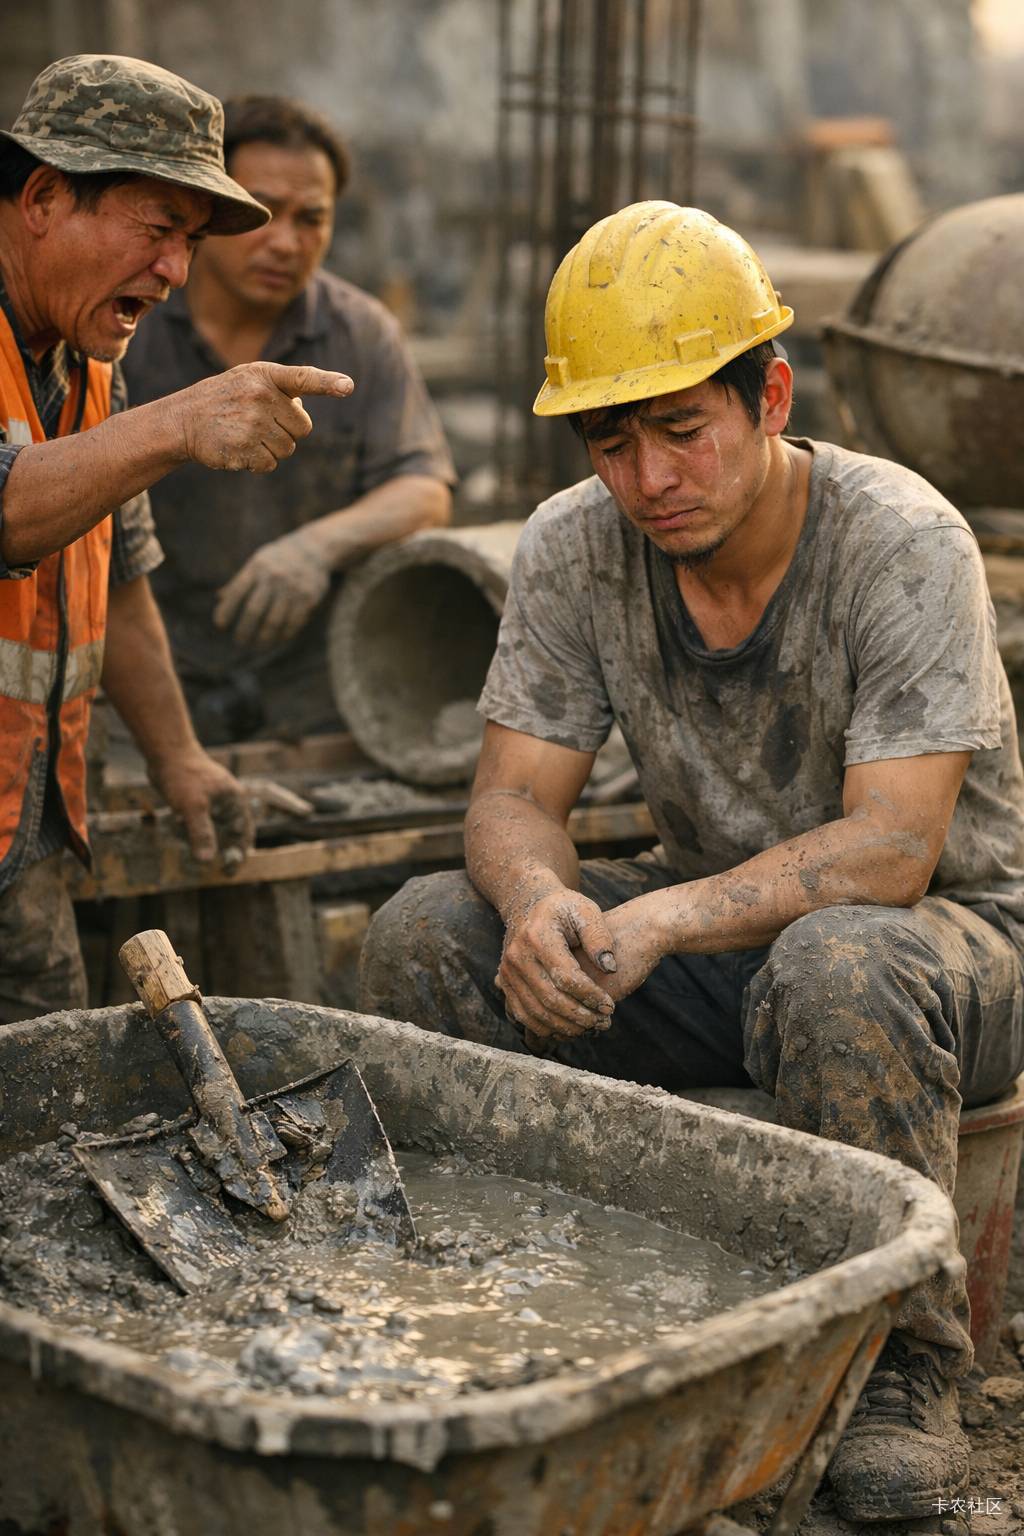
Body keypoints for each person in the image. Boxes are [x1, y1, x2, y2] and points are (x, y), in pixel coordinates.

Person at [359, 201, 1024, 1520]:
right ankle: (523, 1290)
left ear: (769, 397)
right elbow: (511, 797)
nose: (651, 477)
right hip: (725, 945)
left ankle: (901, 1362)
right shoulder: (571, 545)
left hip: (953, 948)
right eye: (614, 443)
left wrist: (659, 918)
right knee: (427, 935)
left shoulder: (901, 539)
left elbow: (896, 849)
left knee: (841, 964)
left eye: (682, 430)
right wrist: (538, 902)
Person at [0, 54, 356, 1023]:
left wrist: (180, 760)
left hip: (23, 835)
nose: (175, 272)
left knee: (45, 1079)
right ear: (43, 198)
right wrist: (176, 423)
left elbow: (115, 583)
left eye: (189, 241)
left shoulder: (86, 363)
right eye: (157, 229)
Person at [123, 95, 454, 745]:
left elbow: (425, 488)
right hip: (144, 691)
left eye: (312, 219)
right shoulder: (132, 323)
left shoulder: (360, 333)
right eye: (261, 211)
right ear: (211, 207)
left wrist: (316, 548)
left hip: (313, 702)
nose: (285, 242)